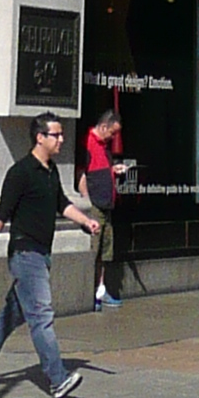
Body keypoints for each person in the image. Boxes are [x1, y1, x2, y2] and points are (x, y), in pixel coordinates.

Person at [0, 113, 100, 398]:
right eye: (56, 135)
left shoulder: (51, 171)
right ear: (40, 137)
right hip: (26, 253)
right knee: (41, 315)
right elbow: (2, 215)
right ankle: (57, 378)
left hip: (42, 252)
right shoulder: (20, 172)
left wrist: (84, 221)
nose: (62, 140)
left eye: (62, 135)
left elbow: (62, 204)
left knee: (13, 314)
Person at [80, 102, 127, 309]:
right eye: (112, 133)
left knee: (106, 251)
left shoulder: (104, 149)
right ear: (104, 126)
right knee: (95, 248)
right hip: (95, 206)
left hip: (106, 205)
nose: (113, 138)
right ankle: (89, 294)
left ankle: (101, 291)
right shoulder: (88, 143)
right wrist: (86, 202)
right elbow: (81, 174)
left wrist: (113, 170)